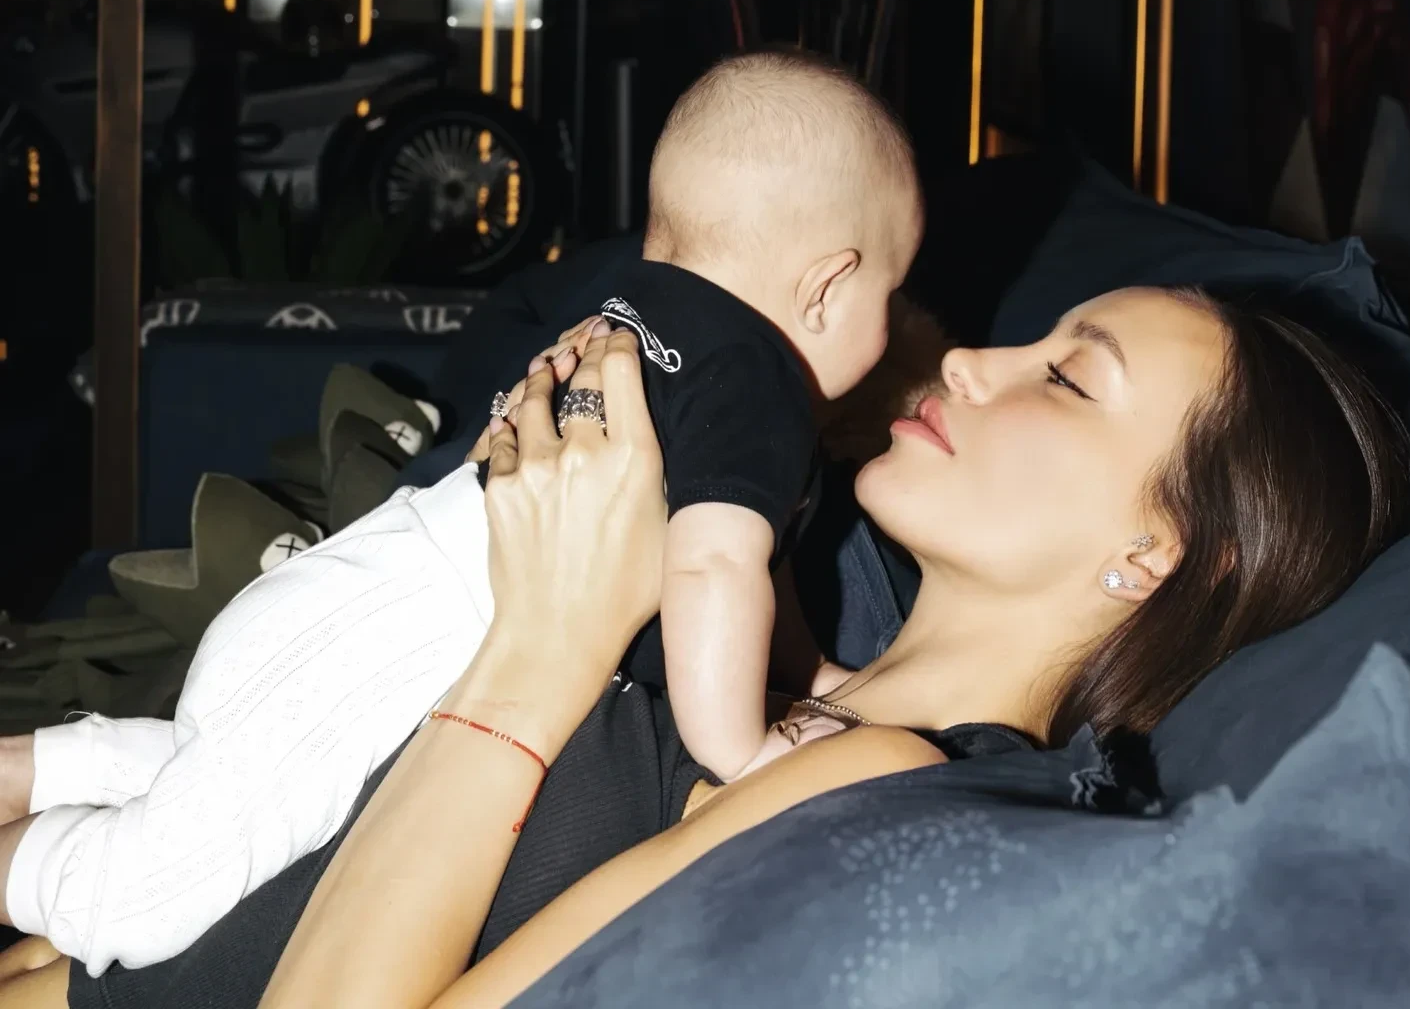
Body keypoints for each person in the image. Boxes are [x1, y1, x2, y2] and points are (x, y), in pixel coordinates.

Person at [0, 278, 1410, 1009]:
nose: (973, 363)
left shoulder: (879, 777)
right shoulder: (780, 663)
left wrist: (549, 637)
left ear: (1155, 555)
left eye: (1066, 377)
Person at [0, 51, 922, 974]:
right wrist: (742, 750)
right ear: (826, 287)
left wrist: (812, 675)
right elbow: (715, 568)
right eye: (889, 297)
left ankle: (40, 768)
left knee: (247, 788)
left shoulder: (627, 309)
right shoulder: (758, 382)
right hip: (411, 642)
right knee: (140, 904)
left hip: (373, 593)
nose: (891, 334)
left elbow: (755, 573)